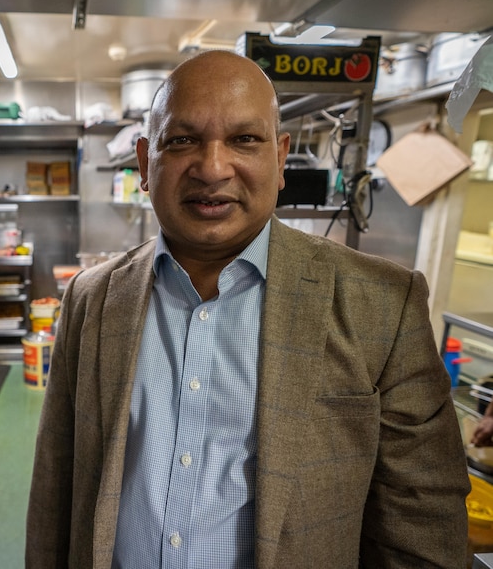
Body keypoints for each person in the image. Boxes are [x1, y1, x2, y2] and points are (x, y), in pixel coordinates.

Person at [25, 50, 470, 568]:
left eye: (244, 140)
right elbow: (56, 484)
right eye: (183, 139)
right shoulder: (92, 298)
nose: (213, 168)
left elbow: (422, 527)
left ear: (280, 159)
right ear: (146, 164)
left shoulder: (382, 308)